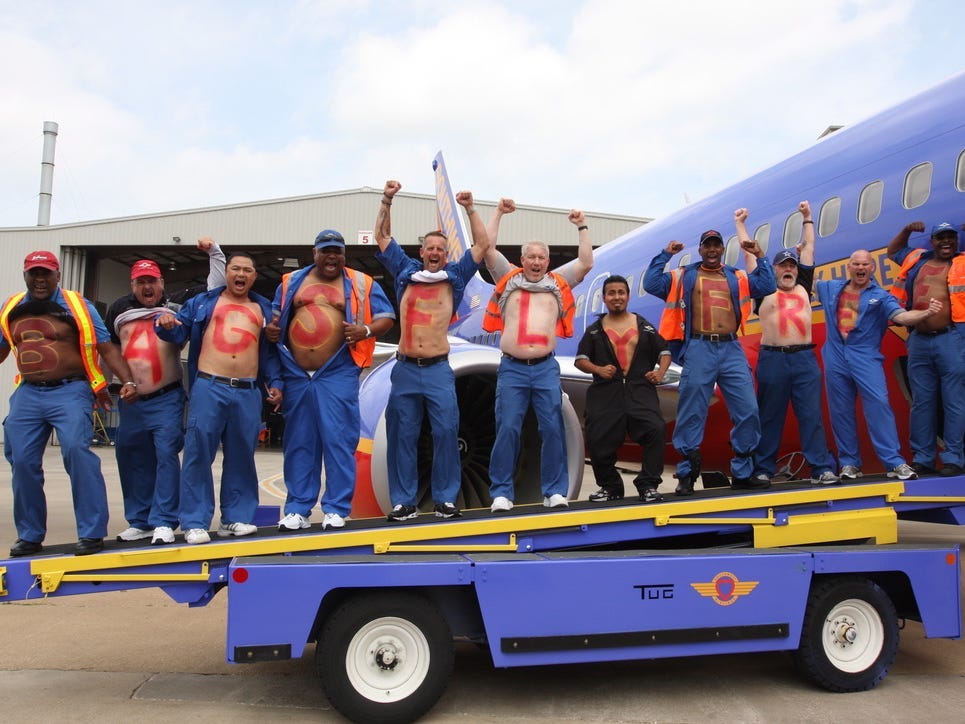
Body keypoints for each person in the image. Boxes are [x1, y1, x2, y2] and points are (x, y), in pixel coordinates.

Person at [0, 250, 139, 557]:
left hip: (70, 390)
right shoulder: (11, 307)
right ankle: (30, 534)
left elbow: (107, 346)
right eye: (33, 273)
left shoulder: (78, 306)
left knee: (77, 452)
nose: (39, 279)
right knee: (21, 461)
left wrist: (127, 381)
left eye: (45, 273)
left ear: (57, 275)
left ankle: (91, 532)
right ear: (25, 275)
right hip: (28, 392)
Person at [373, 180, 491, 521]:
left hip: (439, 368)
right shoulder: (406, 273)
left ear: (446, 253)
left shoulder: (455, 276)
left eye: (441, 248)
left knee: (445, 432)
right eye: (430, 248)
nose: (436, 253)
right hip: (407, 367)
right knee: (403, 435)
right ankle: (403, 501)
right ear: (422, 252)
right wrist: (387, 200)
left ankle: (445, 499)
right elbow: (382, 237)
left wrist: (470, 208)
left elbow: (483, 244)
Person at [267, 229, 395, 532]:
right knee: (300, 442)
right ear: (315, 253)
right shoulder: (291, 283)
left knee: (339, 441)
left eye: (337, 250)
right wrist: (273, 332)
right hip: (297, 373)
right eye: (326, 250)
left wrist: (364, 330)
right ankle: (297, 509)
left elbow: (387, 317)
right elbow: (275, 319)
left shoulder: (362, 283)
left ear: (344, 254)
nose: (332, 256)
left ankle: (336, 508)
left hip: (338, 371)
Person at [643, 211, 777, 495]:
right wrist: (665, 253)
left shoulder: (737, 276)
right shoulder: (685, 276)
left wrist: (760, 254)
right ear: (701, 249)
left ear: (722, 249)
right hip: (699, 346)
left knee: (748, 410)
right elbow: (651, 284)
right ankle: (687, 473)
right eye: (708, 245)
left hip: (730, 348)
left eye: (717, 245)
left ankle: (742, 471)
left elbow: (767, 285)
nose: (713, 249)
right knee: (692, 412)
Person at [155, 250, 283, 544]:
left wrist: (275, 382)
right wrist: (163, 324)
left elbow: (271, 353)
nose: (241, 274)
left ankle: (236, 517)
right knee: (199, 453)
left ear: (254, 276)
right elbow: (178, 332)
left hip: (248, 390)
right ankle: (194, 521)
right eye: (235, 268)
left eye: (247, 270)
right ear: (227, 273)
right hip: (210, 386)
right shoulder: (202, 302)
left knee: (241, 456)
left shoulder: (263, 309)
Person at [105, 238, 227, 545]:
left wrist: (215, 253)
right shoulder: (119, 310)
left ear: (162, 283)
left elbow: (216, 289)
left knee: (165, 457)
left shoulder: (177, 306)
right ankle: (140, 519)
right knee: (131, 458)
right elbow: (109, 350)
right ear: (132, 285)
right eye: (140, 282)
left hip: (166, 397)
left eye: (152, 282)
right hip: (132, 400)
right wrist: (115, 384)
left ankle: (163, 520)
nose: (147, 288)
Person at [483, 199, 593, 512]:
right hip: (513, 368)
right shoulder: (509, 279)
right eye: (530, 256)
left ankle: (554, 491)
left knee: (552, 428)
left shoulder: (557, 283)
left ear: (547, 261)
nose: (536, 261)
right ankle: (502, 492)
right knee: (508, 429)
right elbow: (487, 248)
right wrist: (498, 214)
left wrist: (582, 226)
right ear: (521, 260)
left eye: (541, 257)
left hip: (545, 367)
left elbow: (585, 263)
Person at [815, 249, 941, 480]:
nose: (860, 268)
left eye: (865, 264)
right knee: (840, 412)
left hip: (865, 356)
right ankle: (849, 464)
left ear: (871, 267)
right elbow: (806, 279)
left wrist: (925, 314)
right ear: (849, 267)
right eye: (856, 264)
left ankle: (894, 462)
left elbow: (901, 317)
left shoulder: (881, 297)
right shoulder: (831, 288)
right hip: (835, 355)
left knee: (879, 405)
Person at [741, 202, 839, 486]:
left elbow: (808, 248)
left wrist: (808, 217)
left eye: (791, 265)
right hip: (772, 359)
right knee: (769, 416)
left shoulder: (803, 287)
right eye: (783, 265)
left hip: (804, 360)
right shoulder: (763, 290)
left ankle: (820, 467)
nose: (788, 269)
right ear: (772, 270)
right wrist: (740, 223)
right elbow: (749, 257)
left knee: (811, 416)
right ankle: (763, 469)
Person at [575, 275, 670, 503]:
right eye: (611, 293)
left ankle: (648, 485)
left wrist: (660, 373)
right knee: (598, 438)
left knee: (656, 430)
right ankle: (610, 486)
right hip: (606, 392)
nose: (616, 297)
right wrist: (597, 369)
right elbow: (580, 359)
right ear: (604, 298)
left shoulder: (644, 326)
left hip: (640, 390)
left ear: (627, 296)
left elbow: (664, 352)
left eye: (621, 292)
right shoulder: (595, 330)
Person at [887, 220, 965, 476]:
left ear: (956, 241)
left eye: (951, 237)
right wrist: (906, 230)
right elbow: (893, 251)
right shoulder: (917, 260)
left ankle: (953, 458)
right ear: (932, 241)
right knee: (922, 402)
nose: (946, 242)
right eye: (941, 238)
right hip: (919, 340)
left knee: (954, 401)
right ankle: (923, 458)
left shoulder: (962, 263)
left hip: (950, 339)